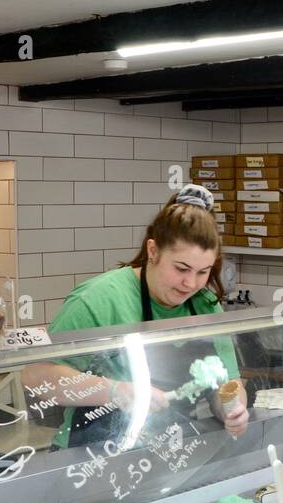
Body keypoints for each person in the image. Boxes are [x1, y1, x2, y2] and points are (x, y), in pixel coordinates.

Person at [27, 185, 249, 449]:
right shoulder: (99, 299)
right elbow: (35, 377)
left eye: (203, 272)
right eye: (181, 268)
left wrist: (232, 410)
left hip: (172, 449)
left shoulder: (205, 306)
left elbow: (226, 384)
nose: (190, 284)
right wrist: (115, 391)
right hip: (93, 454)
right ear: (153, 251)